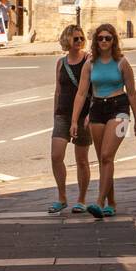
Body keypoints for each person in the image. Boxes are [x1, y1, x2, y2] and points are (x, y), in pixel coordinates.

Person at [70, 23, 136, 218]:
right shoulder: (90, 63)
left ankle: (100, 202)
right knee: (103, 158)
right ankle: (111, 202)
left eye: (107, 38)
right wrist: (75, 120)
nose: (103, 41)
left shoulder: (122, 63)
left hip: (119, 109)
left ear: (113, 41)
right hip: (97, 110)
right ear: (96, 41)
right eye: (100, 38)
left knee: (107, 155)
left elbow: (133, 94)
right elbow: (82, 93)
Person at [49, 24, 92, 214]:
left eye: (81, 38)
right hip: (63, 114)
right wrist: (55, 112)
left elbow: (94, 89)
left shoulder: (89, 60)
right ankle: (62, 197)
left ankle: (81, 199)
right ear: (67, 40)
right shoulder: (61, 63)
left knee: (82, 160)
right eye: (76, 38)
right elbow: (58, 90)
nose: (80, 42)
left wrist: (90, 114)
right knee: (56, 156)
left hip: (83, 116)